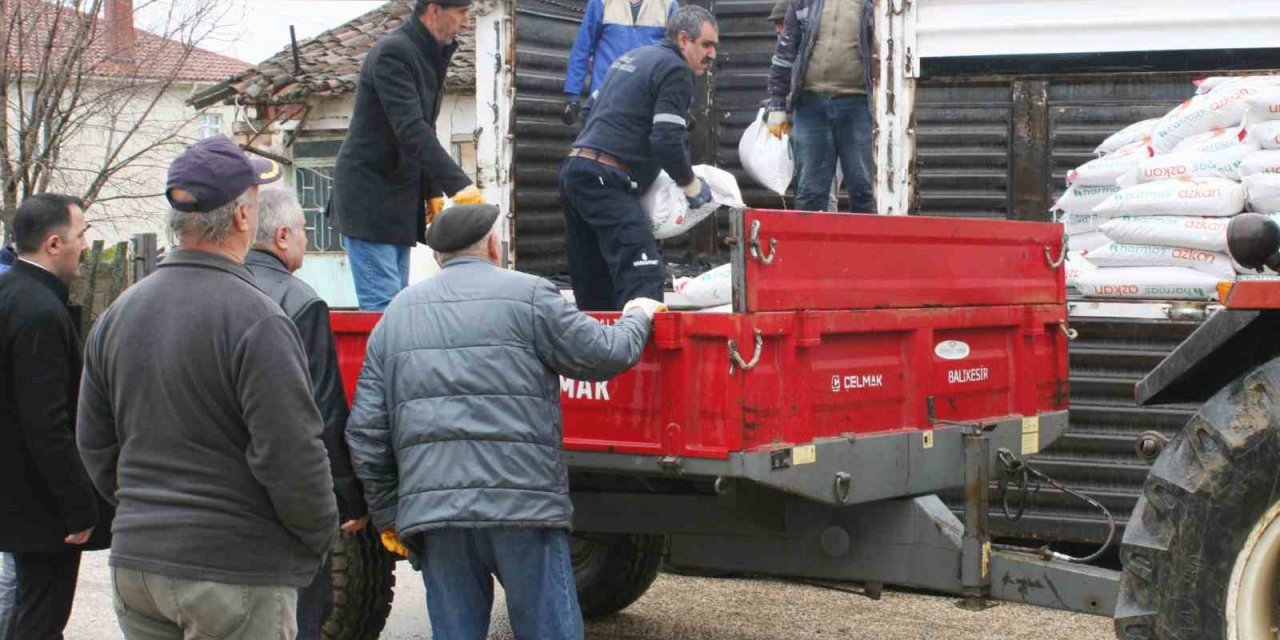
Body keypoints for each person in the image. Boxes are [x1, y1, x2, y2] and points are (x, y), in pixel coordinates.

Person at [346, 204, 663, 639]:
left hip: (437, 519)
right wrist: (639, 314)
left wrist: (389, 514)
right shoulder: (530, 295)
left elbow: (365, 431)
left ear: (438, 257)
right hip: (523, 511)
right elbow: (605, 354)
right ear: (494, 245)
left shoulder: (396, 314)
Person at [77, 137, 339, 640]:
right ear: (243, 217)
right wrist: (317, 537)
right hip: (232, 569)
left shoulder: (119, 313)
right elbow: (291, 454)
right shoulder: (257, 316)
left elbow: (94, 440)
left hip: (140, 567)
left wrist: (144, 510)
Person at [245, 188, 370, 640]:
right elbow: (321, 413)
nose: (306, 240)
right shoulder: (300, 301)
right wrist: (346, 498)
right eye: (303, 232)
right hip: (282, 508)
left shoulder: (215, 288)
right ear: (281, 236)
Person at [559, 5, 720, 311]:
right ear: (684, 40)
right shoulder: (677, 70)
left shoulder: (630, 59)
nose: (711, 54)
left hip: (575, 172)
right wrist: (692, 186)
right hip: (606, 178)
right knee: (644, 274)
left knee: (594, 282)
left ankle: (598, 354)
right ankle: (644, 358)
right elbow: (665, 140)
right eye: (707, 44)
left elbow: (590, 112)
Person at [328, 0, 485, 311]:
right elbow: (411, 129)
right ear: (434, 9)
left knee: (398, 308)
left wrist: (431, 190)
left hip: (397, 197)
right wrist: (459, 185)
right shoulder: (394, 53)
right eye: (462, 12)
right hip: (370, 198)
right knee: (383, 311)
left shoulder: (429, 53)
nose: (467, 23)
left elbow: (424, 126)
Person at [0, 193, 108, 640]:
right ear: (53, 243)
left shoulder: (11, 293)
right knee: (41, 619)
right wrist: (78, 507)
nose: (85, 244)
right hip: (41, 506)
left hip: (16, 495)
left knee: (30, 608)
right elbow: (47, 422)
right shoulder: (40, 311)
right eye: (80, 235)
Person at [765, 0, 874, 213]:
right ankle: (808, 247)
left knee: (865, 190)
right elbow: (786, 50)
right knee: (810, 193)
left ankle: (868, 246)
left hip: (860, 105)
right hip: (811, 104)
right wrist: (777, 102)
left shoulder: (877, 4)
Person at [560, 0, 678, 125]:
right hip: (604, 98)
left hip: (647, 99)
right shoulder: (601, 2)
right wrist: (572, 97)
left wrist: (683, 101)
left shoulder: (667, 5)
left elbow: (678, 53)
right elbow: (582, 48)